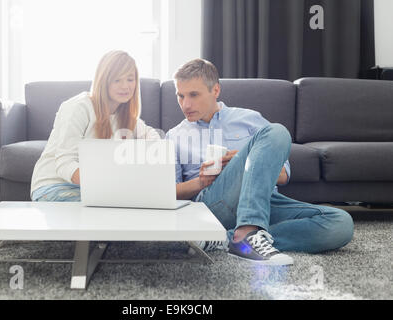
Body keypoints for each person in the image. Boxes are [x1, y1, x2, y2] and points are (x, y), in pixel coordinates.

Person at [165, 58, 354, 265]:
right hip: (213, 205)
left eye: (193, 95)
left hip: (264, 200)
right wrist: (201, 182)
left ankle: (228, 239)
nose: (186, 104)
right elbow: (168, 192)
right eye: (180, 96)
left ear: (215, 90)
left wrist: (247, 159)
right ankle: (246, 232)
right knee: (276, 131)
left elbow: (282, 176)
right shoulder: (175, 136)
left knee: (340, 223)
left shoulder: (248, 119)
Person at [31, 50, 160, 202]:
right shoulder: (79, 107)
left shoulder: (126, 117)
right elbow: (65, 163)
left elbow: (152, 136)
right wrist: (107, 184)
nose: (125, 86)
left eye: (130, 79)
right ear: (103, 80)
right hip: (54, 186)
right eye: (117, 80)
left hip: (92, 189)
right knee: (120, 208)